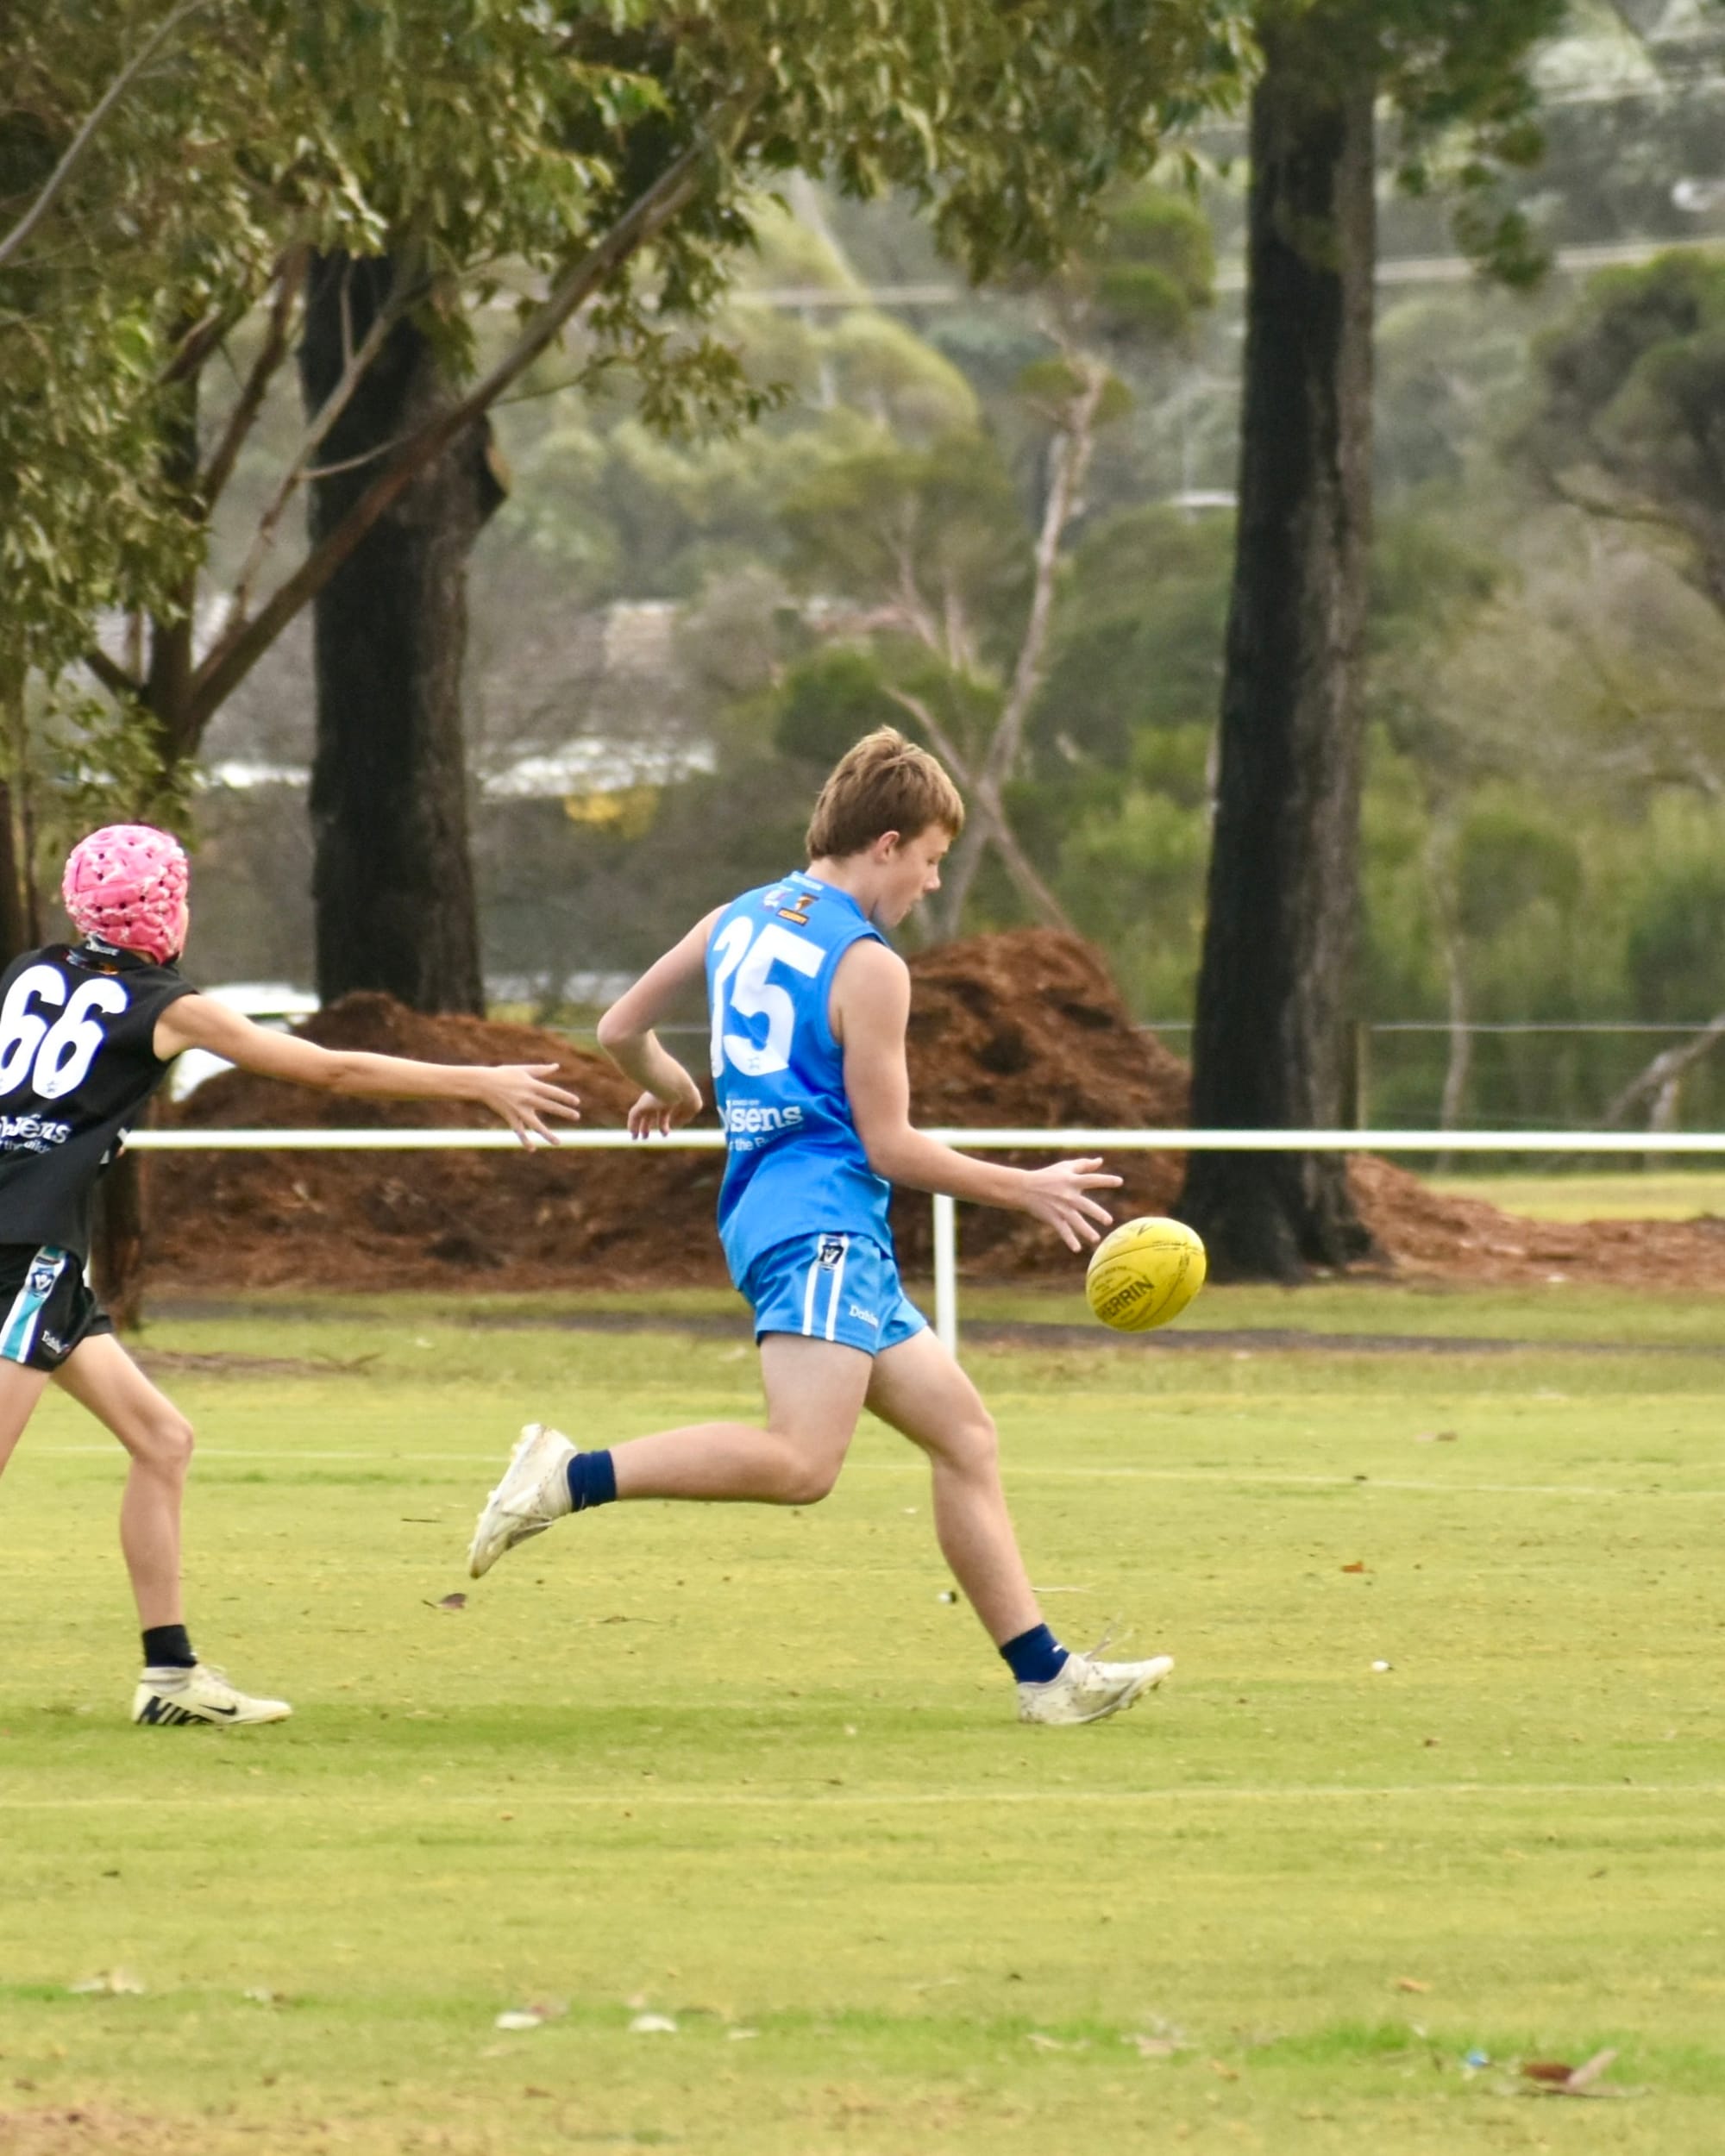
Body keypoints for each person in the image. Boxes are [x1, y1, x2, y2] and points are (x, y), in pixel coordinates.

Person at [468, 730, 1172, 1725]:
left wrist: (673, 1086)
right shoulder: (869, 964)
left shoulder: (737, 917)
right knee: (802, 1464)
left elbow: (620, 1028)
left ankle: (1045, 1676)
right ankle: (567, 1476)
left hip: (784, 1216)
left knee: (965, 1435)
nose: (930, 884)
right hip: (822, 1225)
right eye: (929, 860)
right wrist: (1024, 1186)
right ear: (885, 843)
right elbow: (887, 1145)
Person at [0, 823, 580, 1727]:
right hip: (21, 1252)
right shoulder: (166, 1004)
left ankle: (170, 1678)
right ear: (165, 910)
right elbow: (331, 1069)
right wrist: (474, 1083)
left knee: (162, 1440)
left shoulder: (29, 970)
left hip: (43, 1254)